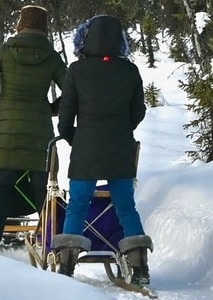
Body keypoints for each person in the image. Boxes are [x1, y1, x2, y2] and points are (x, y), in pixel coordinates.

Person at [53, 14, 153, 286]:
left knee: (77, 206)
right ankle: (140, 266)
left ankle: (66, 265)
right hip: (120, 148)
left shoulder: (76, 70)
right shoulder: (129, 70)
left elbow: (65, 117)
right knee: (125, 207)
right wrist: (123, 129)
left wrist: (75, 137)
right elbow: (138, 111)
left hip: (86, 148)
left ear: (86, 38)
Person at [0, 4, 66, 251]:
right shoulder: (52, 57)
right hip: (39, 136)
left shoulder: (6, 52)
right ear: (44, 28)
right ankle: (52, 246)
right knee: (43, 194)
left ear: (20, 24)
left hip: (6, 134)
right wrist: (53, 108)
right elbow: (73, 91)